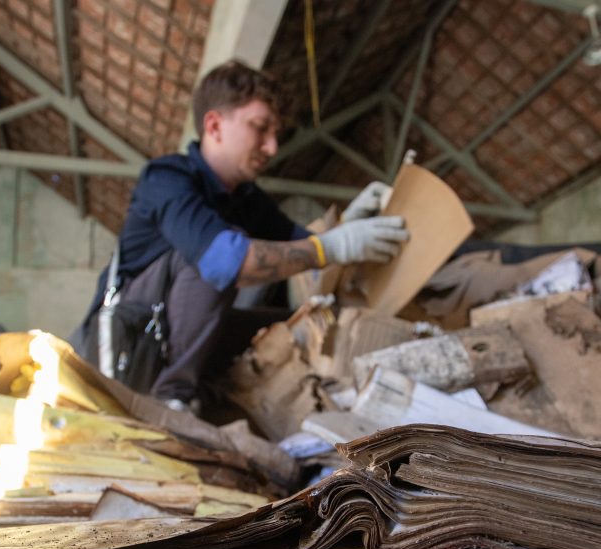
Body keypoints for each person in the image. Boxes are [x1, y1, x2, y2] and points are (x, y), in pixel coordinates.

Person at [72, 60, 407, 413]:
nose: (273, 147)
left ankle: (222, 394)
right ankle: (170, 400)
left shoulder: (247, 199)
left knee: (285, 325)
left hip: (175, 342)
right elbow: (224, 262)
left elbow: (305, 249)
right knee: (219, 249)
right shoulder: (167, 178)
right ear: (214, 125)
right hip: (130, 348)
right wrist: (333, 246)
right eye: (260, 128)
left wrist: (345, 228)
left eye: (276, 133)